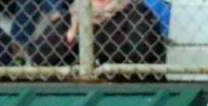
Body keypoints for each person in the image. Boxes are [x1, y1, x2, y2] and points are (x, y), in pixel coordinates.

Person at [28, 0, 166, 71]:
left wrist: (90, 36)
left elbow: (140, 51)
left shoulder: (134, 11)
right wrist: (71, 34)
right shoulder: (74, 14)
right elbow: (38, 56)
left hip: (125, 84)